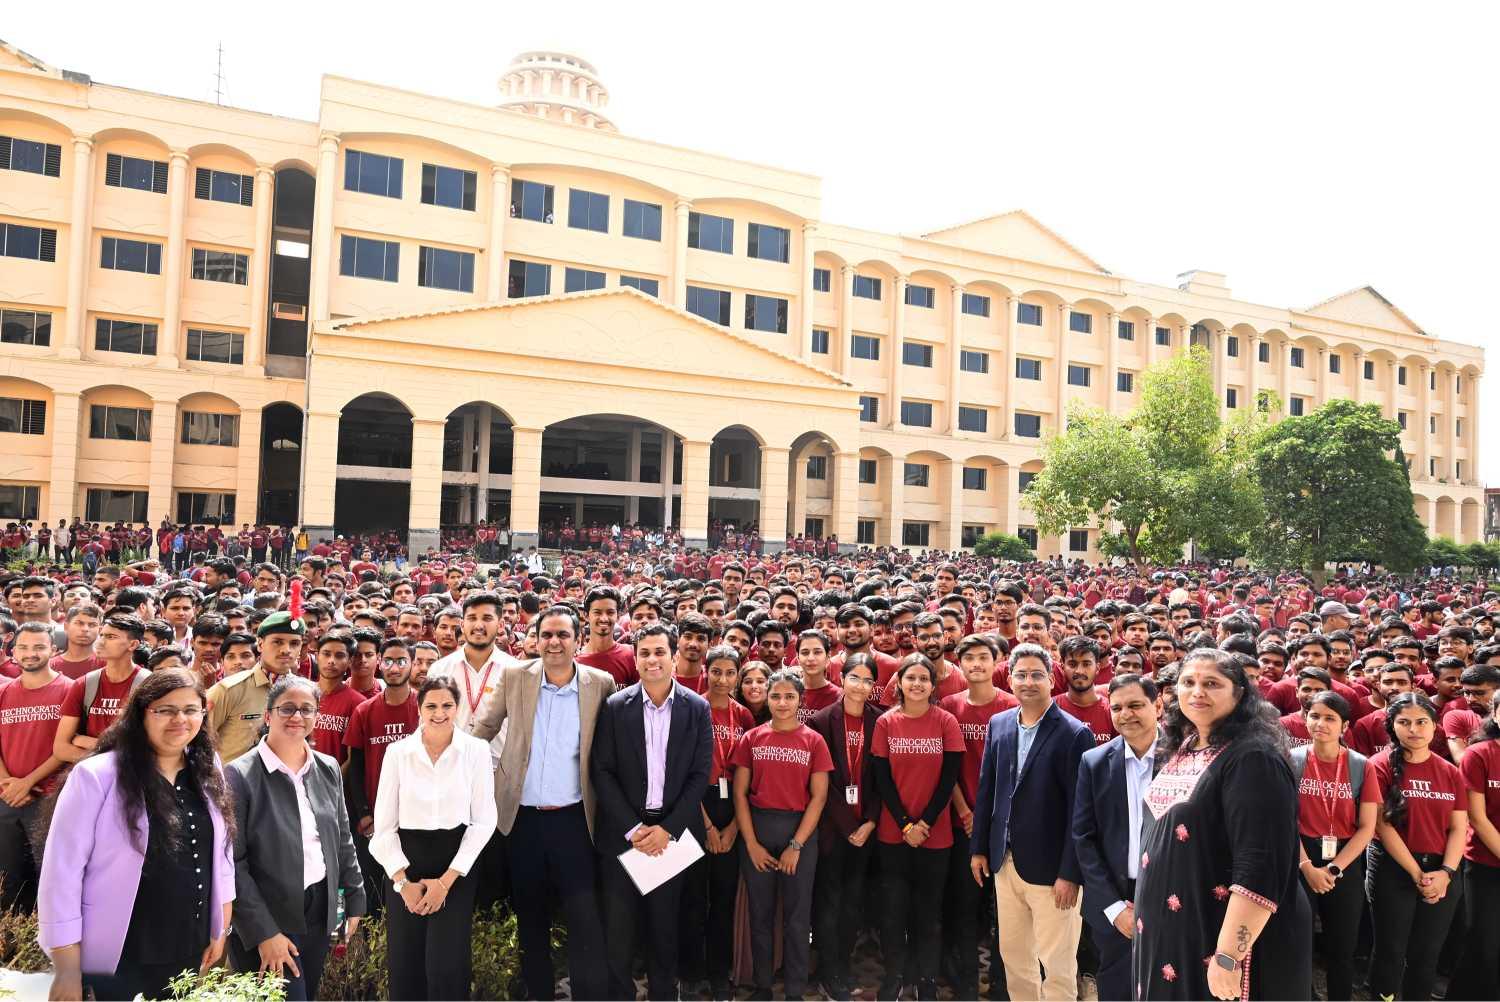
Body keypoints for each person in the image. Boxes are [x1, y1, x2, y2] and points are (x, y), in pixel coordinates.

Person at [37, 669, 235, 1001]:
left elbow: (222, 854)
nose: (180, 720)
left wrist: (220, 928)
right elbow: (62, 874)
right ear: (140, 713)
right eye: (165, 710)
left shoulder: (208, 767)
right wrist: (67, 969)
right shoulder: (97, 775)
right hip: (116, 952)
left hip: (187, 942)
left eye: (190, 710)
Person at [1132, 648, 1310, 1001]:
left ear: (1239, 693)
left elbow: (1260, 864)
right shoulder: (1185, 746)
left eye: (1211, 683)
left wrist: (1229, 956)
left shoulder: (1254, 758)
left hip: (1220, 941)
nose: (1197, 691)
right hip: (1168, 935)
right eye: (1188, 682)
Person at [468, 605, 613, 1001]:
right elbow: (485, 728)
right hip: (523, 820)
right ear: (536, 638)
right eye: (546, 634)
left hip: (575, 821)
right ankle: (540, 994)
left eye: (563, 635)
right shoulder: (516, 676)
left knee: (584, 918)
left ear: (577, 640)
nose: (554, 642)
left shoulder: (600, 683)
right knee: (531, 918)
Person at [226, 675, 367, 1001]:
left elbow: (342, 838)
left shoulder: (327, 766)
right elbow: (232, 863)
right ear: (268, 715)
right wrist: (265, 933)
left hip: (317, 912)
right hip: (268, 915)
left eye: (307, 709)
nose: (297, 717)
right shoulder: (239, 775)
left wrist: (356, 896)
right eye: (287, 708)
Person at [592, 622, 713, 1000]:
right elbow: (603, 771)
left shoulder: (697, 708)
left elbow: (699, 775)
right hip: (625, 835)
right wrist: (634, 828)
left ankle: (664, 993)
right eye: (644, 653)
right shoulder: (615, 706)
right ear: (636, 658)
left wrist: (667, 829)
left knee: (665, 930)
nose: (652, 660)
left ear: (674, 657)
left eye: (660, 652)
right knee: (620, 931)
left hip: (671, 836)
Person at [970, 642, 1092, 1002]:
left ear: (1052, 679)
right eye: (1020, 674)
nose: (1028, 682)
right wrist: (979, 848)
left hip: (1053, 873)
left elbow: (1079, 812)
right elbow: (987, 789)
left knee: (1056, 964)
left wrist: (1070, 873)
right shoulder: (1000, 724)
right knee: (1015, 958)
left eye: (1037, 675)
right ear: (1009, 679)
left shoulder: (1074, 733)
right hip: (1004, 863)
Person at [370, 676, 497, 1001]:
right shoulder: (398, 753)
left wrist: (445, 882)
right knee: (406, 962)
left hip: (456, 864)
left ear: (457, 708)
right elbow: (383, 827)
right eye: (431, 706)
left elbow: (484, 821)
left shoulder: (476, 750)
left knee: (448, 965)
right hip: (406, 861)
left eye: (447, 705)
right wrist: (402, 883)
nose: (439, 713)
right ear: (419, 708)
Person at [730, 669, 832, 1002]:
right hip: (758, 829)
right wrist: (751, 844)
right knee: (760, 915)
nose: (782, 702)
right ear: (767, 699)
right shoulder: (752, 738)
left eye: (790, 696)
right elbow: (740, 793)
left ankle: (794, 989)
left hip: (798, 832)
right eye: (776, 696)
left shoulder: (813, 740)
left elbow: (818, 797)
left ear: (801, 700)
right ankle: (762, 985)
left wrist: (796, 845)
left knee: (797, 918)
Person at [871, 653, 964, 1000]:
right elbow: (882, 778)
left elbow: (948, 779)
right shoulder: (885, 723)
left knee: (929, 912)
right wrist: (906, 823)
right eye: (910, 678)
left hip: (935, 834)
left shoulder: (945, 722)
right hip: (893, 833)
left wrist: (923, 823)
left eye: (924, 679)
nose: (917, 684)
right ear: (899, 683)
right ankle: (894, 976)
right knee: (893, 911)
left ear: (932, 685)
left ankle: (926, 978)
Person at [1366, 692, 1467, 1002]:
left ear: (1435, 725)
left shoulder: (1450, 771)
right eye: (1404, 722)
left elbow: (1458, 827)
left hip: (1441, 869)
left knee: (1426, 953)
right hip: (1393, 869)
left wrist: (1446, 873)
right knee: (1390, 950)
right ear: (1392, 726)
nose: (1414, 729)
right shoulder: (1378, 765)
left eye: (1422, 722)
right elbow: (1383, 826)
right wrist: (1416, 873)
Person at [1072, 674, 1161, 1002]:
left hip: (1171, 894)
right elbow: (1084, 837)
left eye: (1136, 705)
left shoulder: (1184, 759)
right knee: (1117, 987)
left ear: (1159, 706)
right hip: (1114, 899)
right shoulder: (1094, 762)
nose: (1126, 714)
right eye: (1118, 707)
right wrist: (1113, 906)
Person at [938, 633, 1017, 1000]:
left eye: (984, 657)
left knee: (1005, 913)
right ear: (960, 663)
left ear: (997, 661)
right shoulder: (949, 706)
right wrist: (965, 810)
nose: (976, 665)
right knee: (964, 909)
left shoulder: (1013, 706)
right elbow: (946, 767)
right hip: (961, 822)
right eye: (968, 658)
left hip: (1003, 826)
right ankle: (966, 982)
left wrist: (989, 816)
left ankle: (1002, 983)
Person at [1292, 690, 1377, 1002]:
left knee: (1341, 948)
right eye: (1315, 715)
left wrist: (1334, 868)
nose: (1321, 723)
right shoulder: (1292, 760)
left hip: (1343, 860)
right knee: (1300, 945)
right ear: (1304, 718)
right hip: (1300, 856)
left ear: (1345, 726)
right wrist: (1306, 868)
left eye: (1330, 718)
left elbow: (1367, 826)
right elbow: (1284, 821)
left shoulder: (1360, 765)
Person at [807, 651, 882, 999]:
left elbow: (884, 778)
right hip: (832, 828)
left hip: (866, 828)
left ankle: (844, 964)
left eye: (868, 680)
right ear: (842, 679)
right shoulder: (821, 721)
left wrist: (869, 821)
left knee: (853, 902)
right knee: (829, 901)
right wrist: (848, 823)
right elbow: (821, 780)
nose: (861, 686)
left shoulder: (880, 722)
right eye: (855, 678)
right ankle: (827, 969)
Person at [683, 644, 755, 998]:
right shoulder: (690, 708)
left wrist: (732, 828)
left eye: (730, 673)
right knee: (694, 897)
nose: (723, 679)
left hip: (732, 809)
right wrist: (709, 827)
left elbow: (749, 776)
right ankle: (691, 972)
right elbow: (684, 774)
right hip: (697, 807)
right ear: (705, 672)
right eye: (716, 672)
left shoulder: (743, 716)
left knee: (724, 899)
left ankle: (718, 972)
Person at [0, 621, 69, 910]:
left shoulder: (70, 689)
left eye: (39, 647)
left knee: (50, 877)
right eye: (24, 647)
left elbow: (66, 748)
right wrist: (7, 783)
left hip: (49, 798)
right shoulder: (3, 692)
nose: (31, 653)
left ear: (53, 649)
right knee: (9, 878)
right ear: (13, 651)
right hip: (6, 798)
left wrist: (27, 782)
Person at [207, 611, 304, 762]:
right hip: (233, 782)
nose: (286, 649)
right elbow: (199, 742)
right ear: (260, 644)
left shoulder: (303, 692)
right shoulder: (229, 689)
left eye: (294, 643)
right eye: (278, 642)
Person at [1453, 690, 1500, 999]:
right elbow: (1478, 818)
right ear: (1494, 713)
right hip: (1485, 864)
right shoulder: (1480, 753)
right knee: (1484, 944)